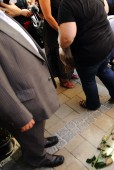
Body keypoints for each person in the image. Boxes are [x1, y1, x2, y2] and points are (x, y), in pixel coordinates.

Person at [0, 9, 64, 168]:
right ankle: (37, 158)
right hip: (18, 98)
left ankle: (39, 141)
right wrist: (17, 113)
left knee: (36, 128)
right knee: (28, 131)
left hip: (28, 87)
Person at [58, 0, 114, 110]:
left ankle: (93, 104)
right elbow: (105, 9)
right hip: (108, 42)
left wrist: (61, 45)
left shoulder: (67, 4)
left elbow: (67, 38)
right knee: (104, 69)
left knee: (88, 80)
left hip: (89, 51)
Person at [38, 0, 76, 89]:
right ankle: (64, 79)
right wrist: (60, 30)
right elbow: (47, 16)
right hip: (53, 30)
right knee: (58, 54)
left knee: (68, 51)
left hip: (65, 26)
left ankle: (69, 74)